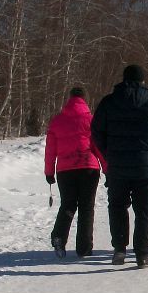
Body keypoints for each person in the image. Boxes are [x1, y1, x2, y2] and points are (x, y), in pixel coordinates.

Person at [91, 64, 148, 268]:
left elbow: (96, 132)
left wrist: (108, 153)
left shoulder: (109, 102)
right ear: (143, 81)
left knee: (117, 207)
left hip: (117, 165)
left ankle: (119, 250)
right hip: (145, 166)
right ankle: (142, 255)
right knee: (144, 211)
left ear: (123, 79)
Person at [44, 86, 105, 259]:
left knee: (68, 204)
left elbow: (50, 149)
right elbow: (98, 147)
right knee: (86, 207)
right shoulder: (91, 120)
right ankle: (84, 248)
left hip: (65, 169)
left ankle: (59, 237)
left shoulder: (57, 121)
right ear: (85, 100)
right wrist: (107, 168)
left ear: (69, 99)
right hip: (88, 168)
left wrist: (49, 171)